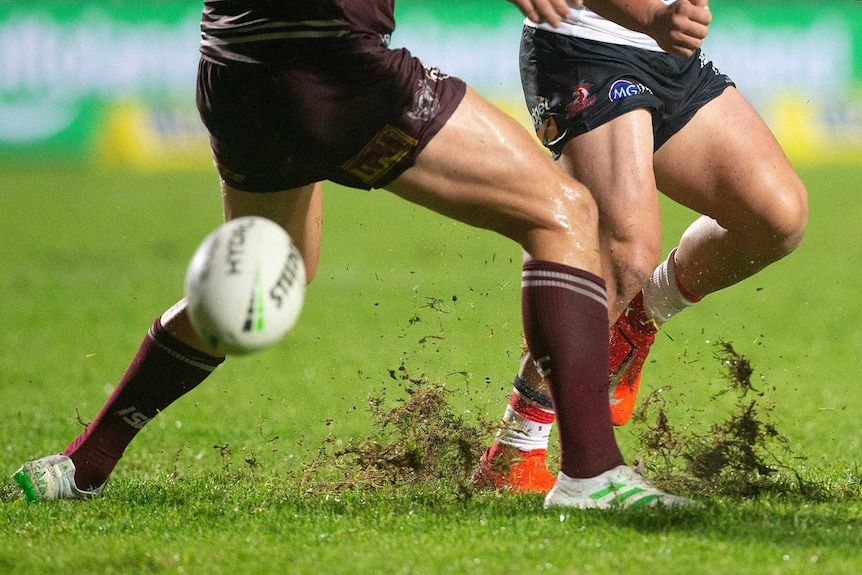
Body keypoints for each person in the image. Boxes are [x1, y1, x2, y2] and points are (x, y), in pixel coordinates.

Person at [12, 0, 694, 510]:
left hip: (233, 70)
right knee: (565, 213)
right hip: (330, 64)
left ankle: (84, 462)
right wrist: (648, 16)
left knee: (260, 277)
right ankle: (590, 471)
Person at [473, 0, 808, 493]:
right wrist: (651, 15)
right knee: (625, 252)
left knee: (777, 216)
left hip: (669, 53)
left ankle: (630, 330)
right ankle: (516, 448)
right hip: (587, 44)